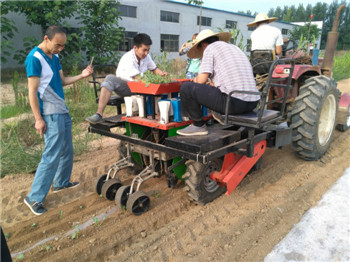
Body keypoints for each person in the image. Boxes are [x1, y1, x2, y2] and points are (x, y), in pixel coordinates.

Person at [24, 25, 93, 215]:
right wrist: (38, 119)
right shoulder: (34, 58)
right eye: (57, 45)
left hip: (62, 109)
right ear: (46, 38)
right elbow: (32, 91)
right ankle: (34, 197)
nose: (60, 49)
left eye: (62, 46)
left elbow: (62, 81)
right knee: (52, 154)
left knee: (66, 149)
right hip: (49, 113)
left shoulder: (55, 57)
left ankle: (61, 183)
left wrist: (82, 75)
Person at [177, 29, 260, 136]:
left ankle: (198, 125)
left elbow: (201, 80)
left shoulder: (209, 49)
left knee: (187, 87)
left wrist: (194, 80)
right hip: (253, 102)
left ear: (203, 45)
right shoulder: (234, 48)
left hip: (233, 103)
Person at [85, 33, 168, 124]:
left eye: (148, 50)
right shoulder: (128, 58)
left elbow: (154, 69)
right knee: (110, 79)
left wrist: (162, 75)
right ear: (135, 48)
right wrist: (155, 81)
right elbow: (139, 78)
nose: (146, 53)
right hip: (126, 87)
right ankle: (99, 114)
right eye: (144, 50)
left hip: (140, 87)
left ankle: (161, 115)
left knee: (164, 87)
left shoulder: (146, 57)